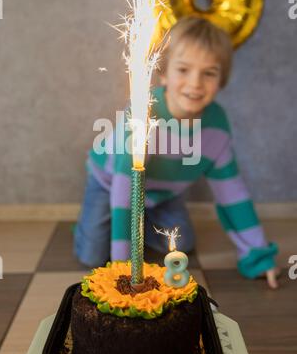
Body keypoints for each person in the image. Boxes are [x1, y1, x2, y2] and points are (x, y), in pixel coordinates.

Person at [74, 17, 279, 288]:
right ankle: (90, 227)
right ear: (164, 72)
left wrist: (257, 255)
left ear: (222, 79)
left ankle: (144, 223)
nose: (195, 83)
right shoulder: (144, 112)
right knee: (93, 255)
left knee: (183, 245)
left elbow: (233, 195)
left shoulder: (216, 127)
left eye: (209, 73)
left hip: (163, 194)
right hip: (110, 184)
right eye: (183, 69)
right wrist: (123, 267)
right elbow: (125, 191)